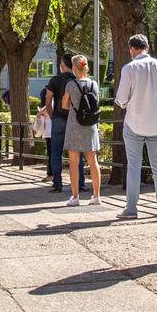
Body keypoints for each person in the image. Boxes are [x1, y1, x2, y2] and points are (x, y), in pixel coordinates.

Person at [114, 34, 157, 220]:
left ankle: (131, 208)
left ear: (132, 49)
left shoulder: (129, 68)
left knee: (134, 166)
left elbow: (121, 99)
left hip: (134, 123)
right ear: (146, 47)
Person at [62, 54, 102, 206]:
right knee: (93, 162)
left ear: (73, 68)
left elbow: (64, 105)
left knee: (74, 162)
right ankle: (96, 196)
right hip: (90, 125)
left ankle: (75, 197)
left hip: (75, 125)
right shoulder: (94, 84)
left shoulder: (71, 85)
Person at [41, 54, 77, 194]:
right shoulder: (76, 80)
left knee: (56, 153)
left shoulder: (54, 80)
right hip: (73, 120)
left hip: (58, 119)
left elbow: (48, 99)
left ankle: (57, 183)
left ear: (63, 65)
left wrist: (51, 114)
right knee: (76, 152)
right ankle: (79, 184)